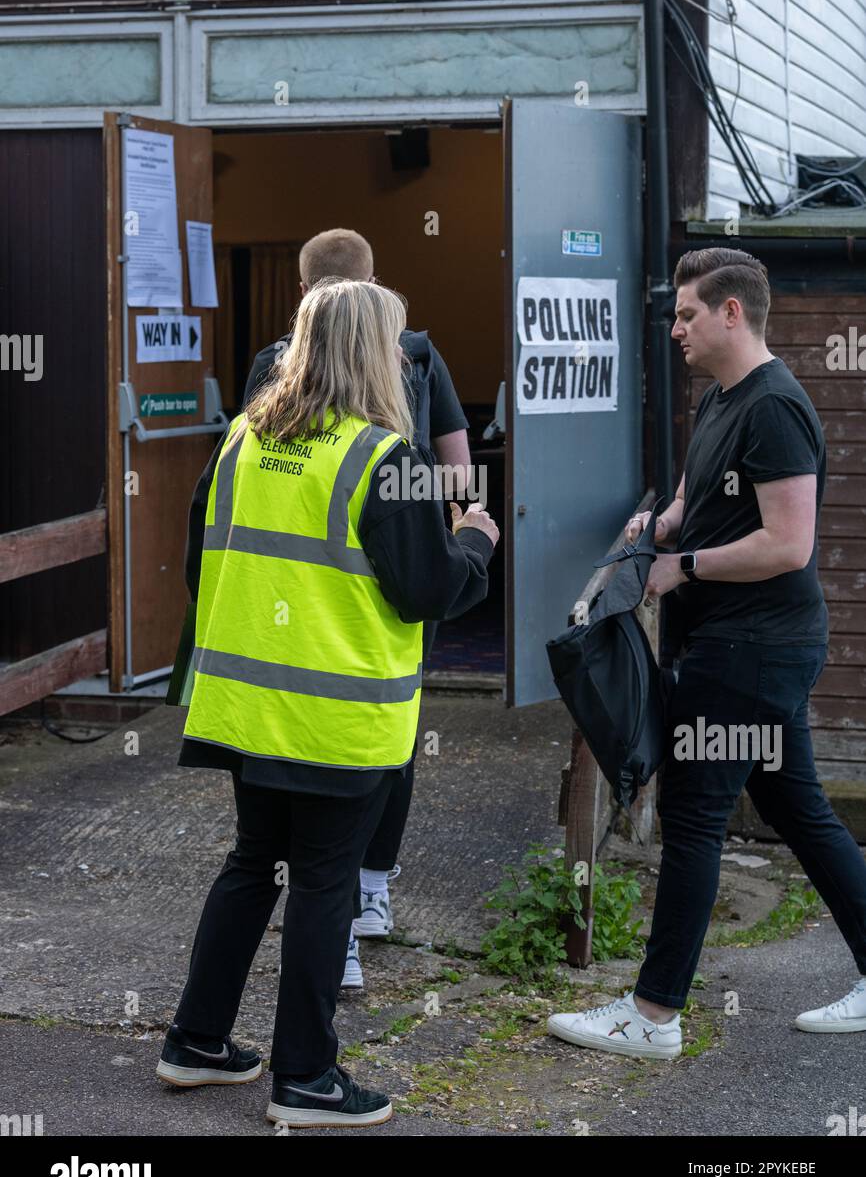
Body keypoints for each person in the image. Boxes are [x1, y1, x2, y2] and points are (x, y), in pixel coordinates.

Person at [157, 278, 499, 1126]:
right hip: (335, 720)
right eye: (394, 340)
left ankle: (195, 1042)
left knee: (251, 865)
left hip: (247, 710)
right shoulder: (385, 459)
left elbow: (205, 565)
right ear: (367, 351)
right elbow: (428, 589)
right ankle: (306, 1079)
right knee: (323, 883)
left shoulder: (240, 437)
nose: (402, 355)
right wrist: (475, 543)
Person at [548, 247, 866, 1059]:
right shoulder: (722, 399)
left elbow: (788, 544)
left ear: (732, 312)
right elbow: (700, 499)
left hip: (751, 651)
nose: (676, 326)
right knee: (798, 808)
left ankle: (653, 1017)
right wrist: (658, 528)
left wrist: (679, 567)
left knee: (693, 817)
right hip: (742, 649)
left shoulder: (776, 407)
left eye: (688, 312)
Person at [243, 227, 472, 988]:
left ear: (302, 294)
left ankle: (340, 914)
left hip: (297, 598)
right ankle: (365, 895)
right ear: (375, 288)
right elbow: (456, 465)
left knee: (282, 789)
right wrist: (441, 539)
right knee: (390, 727)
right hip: (385, 581)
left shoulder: (267, 373)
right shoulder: (418, 357)